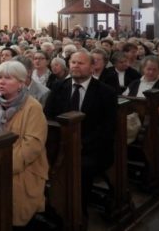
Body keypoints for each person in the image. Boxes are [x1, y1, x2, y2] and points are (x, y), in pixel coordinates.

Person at [0, 60, 48, 227]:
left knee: (10, 196)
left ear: (21, 83)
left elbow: (32, 147)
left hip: (21, 168)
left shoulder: (33, 108)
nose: (1, 81)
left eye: (8, 78)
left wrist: (2, 167)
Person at [45, 51, 117, 218]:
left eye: (81, 63)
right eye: (73, 62)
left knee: (80, 168)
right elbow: (48, 116)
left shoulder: (105, 92)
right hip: (60, 144)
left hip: (92, 149)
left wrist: (81, 145)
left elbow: (107, 127)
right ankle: (51, 210)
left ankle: (78, 212)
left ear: (92, 67)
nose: (76, 66)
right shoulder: (58, 87)